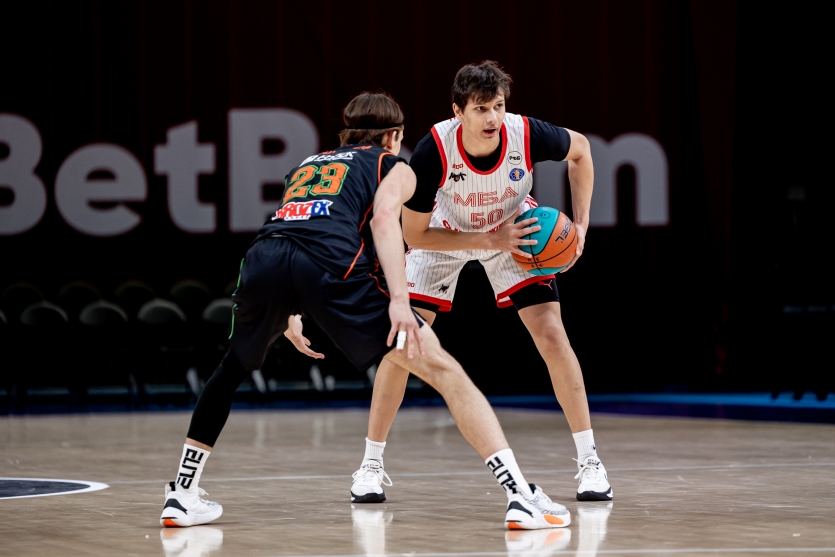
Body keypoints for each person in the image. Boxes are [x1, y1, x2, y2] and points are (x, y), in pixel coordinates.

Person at [160, 92, 571, 530]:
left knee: (230, 370)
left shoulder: (308, 164)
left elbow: (295, 229)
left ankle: (182, 495)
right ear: (394, 136)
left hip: (263, 259)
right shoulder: (394, 165)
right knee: (446, 371)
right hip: (331, 266)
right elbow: (383, 221)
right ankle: (520, 496)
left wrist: (289, 311)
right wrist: (399, 300)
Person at [347, 62, 612, 505]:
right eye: (481, 109)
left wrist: (581, 225)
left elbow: (581, 151)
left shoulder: (526, 133)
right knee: (403, 345)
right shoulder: (434, 150)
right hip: (443, 234)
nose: (493, 118)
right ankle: (370, 465)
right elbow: (414, 235)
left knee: (551, 334)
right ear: (458, 111)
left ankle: (590, 461)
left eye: (498, 106)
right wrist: (489, 239)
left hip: (514, 230)